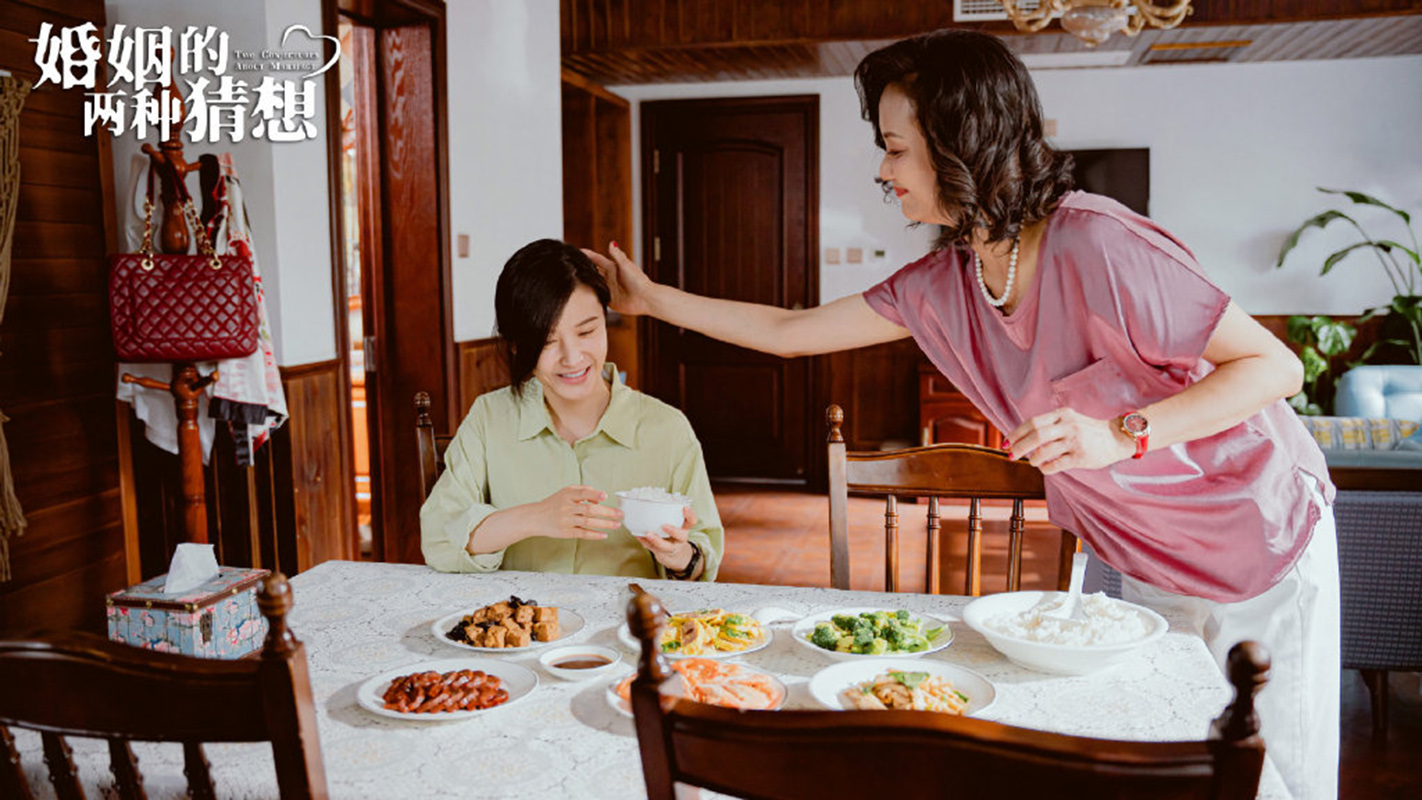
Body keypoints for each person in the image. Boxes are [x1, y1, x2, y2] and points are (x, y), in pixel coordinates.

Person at [586, 30, 1338, 799]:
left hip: (1259, 533)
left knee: (1278, 776)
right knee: (1170, 764)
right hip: (1147, 557)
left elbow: (1275, 367)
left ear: (961, 143)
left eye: (895, 149)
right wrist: (652, 301)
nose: (883, 171)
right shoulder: (946, 283)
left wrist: (1120, 435)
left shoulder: (1100, 243)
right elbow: (789, 331)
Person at [421, 239, 723, 581]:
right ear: (518, 345)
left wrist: (681, 557)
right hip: (521, 615)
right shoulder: (490, 418)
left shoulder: (667, 428)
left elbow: (703, 560)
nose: (572, 357)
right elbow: (439, 538)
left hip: (626, 614)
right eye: (547, 341)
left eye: (587, 331)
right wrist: (535, 517)